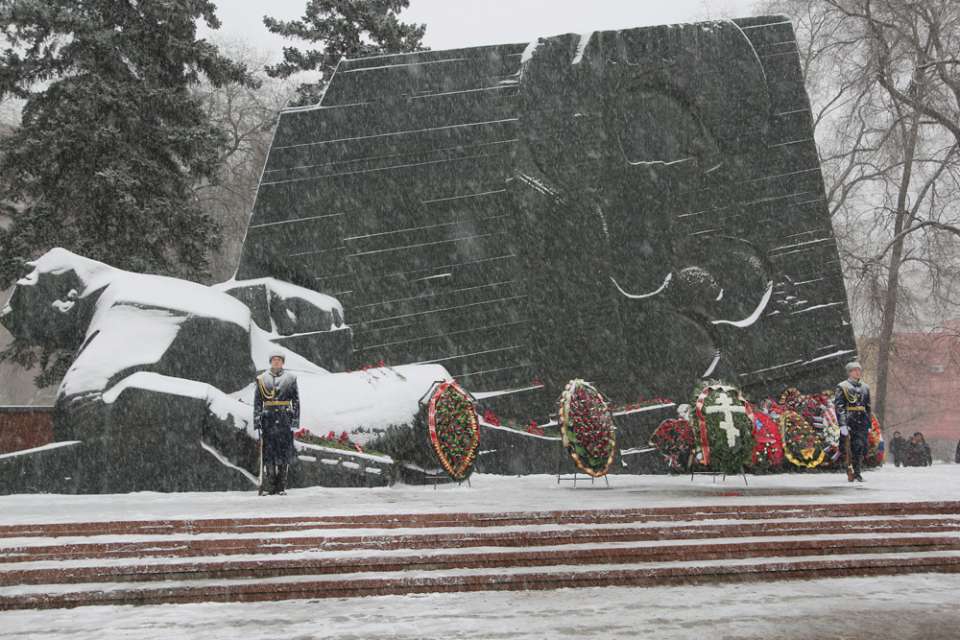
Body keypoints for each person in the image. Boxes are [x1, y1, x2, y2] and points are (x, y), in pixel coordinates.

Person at [253, 351, 300, 495]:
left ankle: (281, 486)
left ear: (283, 362)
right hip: (268, 420)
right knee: (269, 453)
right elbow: (257, 402)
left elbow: (296, 401)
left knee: (284, 453)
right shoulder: (261, 379)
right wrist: (257, 420)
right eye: (274, 360)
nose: (276, 362)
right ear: (270, 362)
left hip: (285, 419)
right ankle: (270, 485)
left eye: (279, 360)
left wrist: (295, 420)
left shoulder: (291, 378)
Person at [834, 361, 871, 482]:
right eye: (855, 370)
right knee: (851, 447)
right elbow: (840, 407)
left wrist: (869, 423)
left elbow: (868, 407)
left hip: (862, 421)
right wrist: (843, 424)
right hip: (850, 420)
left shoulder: (865, 387)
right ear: (850, 372)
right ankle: (852, 470)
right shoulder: (842, 386)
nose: (858, 372)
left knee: (861, 447)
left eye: (859, 370)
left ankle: (857, 471)